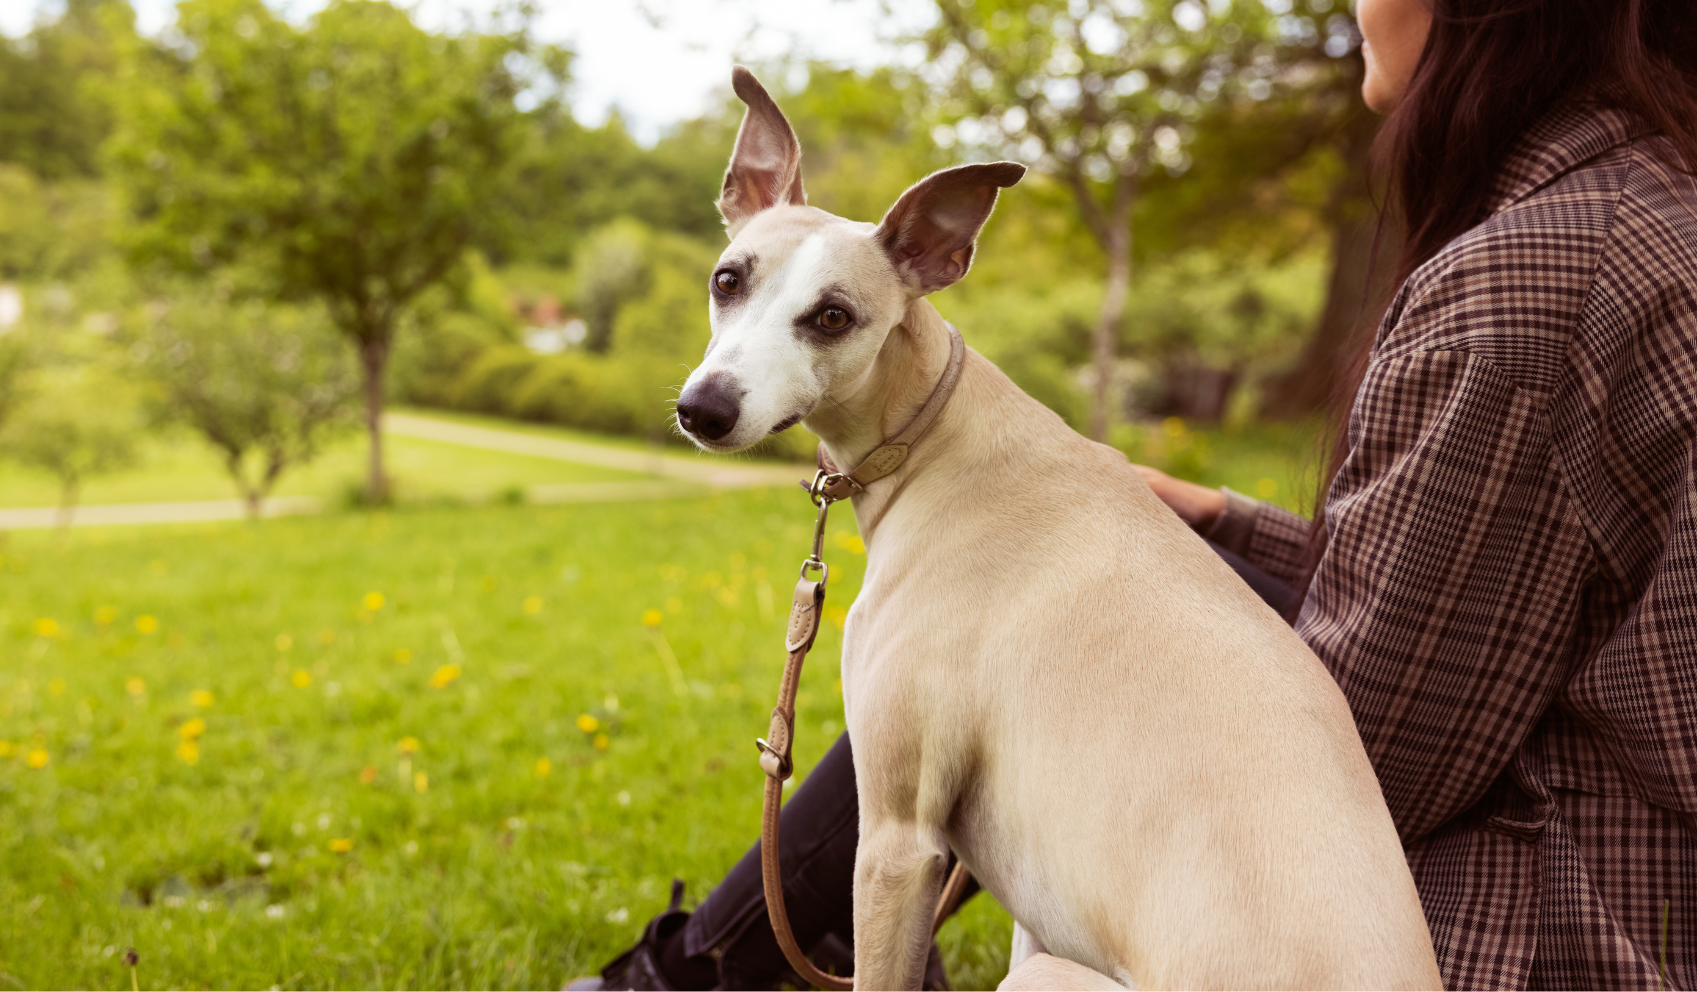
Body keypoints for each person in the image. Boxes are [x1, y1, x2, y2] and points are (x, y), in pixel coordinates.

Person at [576, 0, 1697, 987]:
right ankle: (689, 971)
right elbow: (1498, 585)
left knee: (967, 654)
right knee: (967, 626)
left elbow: (1379, 747)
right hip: (1556, 801)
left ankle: (681, 977)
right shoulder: (1639, 203)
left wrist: (1067, 695)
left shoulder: (1535, 274)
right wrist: (1215, 523)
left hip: (1538, 906)